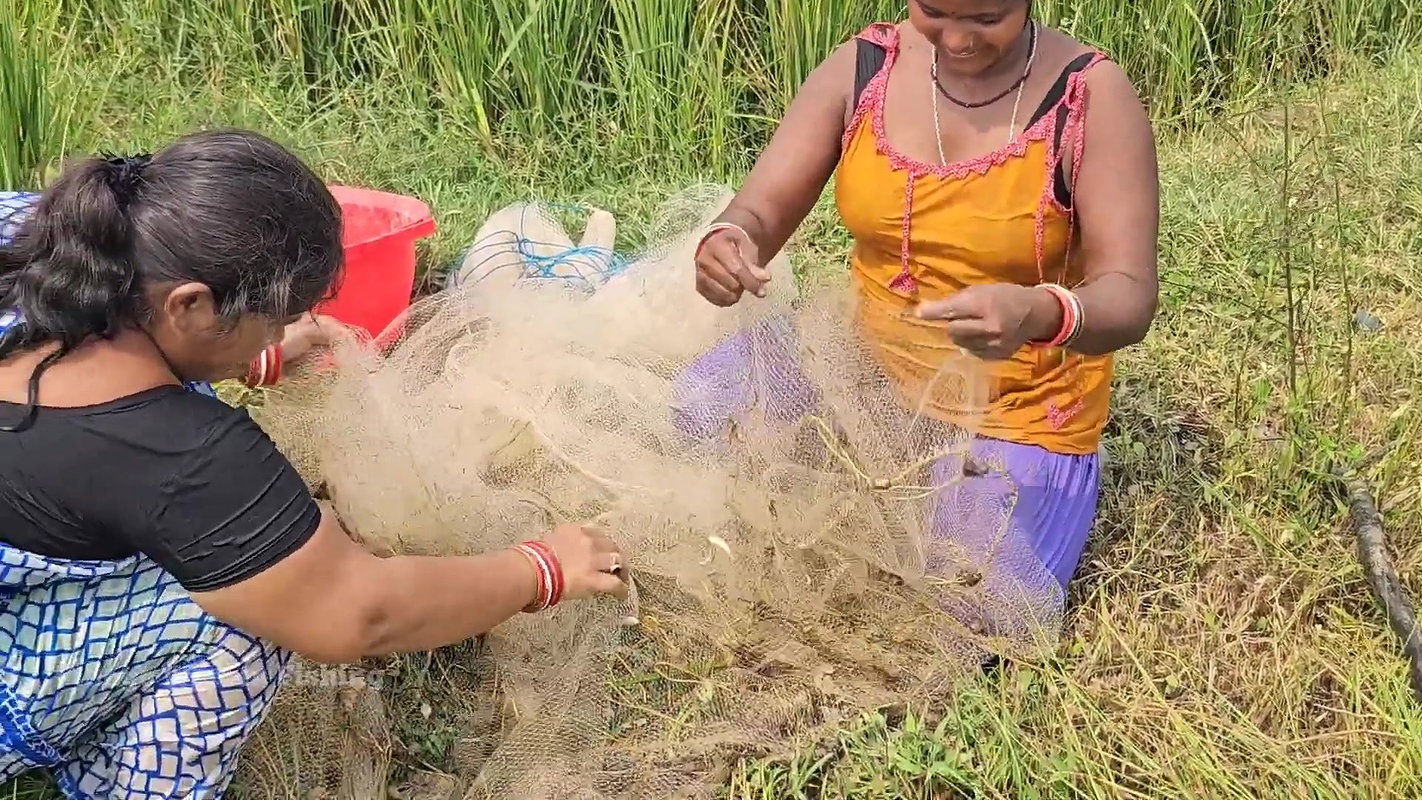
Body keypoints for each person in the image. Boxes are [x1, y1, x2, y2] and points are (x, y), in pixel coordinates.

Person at [0, 130, 629, 798]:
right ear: (189, 305)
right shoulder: (187, 461)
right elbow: (358, 614)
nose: (280, 331)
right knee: (248, 608)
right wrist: (538, 569)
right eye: (274, 317)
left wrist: (243, 353)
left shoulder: (32, 236)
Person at [686, 1, 1159, 630]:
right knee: (700, 409)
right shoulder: (867, 66)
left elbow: (1129, 297)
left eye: (989, 17)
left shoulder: (1089, 99)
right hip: (860, 375)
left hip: (1012, 421)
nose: (958, 38)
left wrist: (1039, 311)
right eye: (934, 10)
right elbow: (759, 213)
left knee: (973, 608)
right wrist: (728, 243)